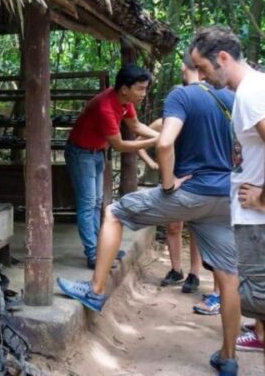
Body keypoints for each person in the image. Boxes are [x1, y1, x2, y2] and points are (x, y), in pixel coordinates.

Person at [57, 32, 240, 375]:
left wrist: (167, 182)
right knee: (229, 278)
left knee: (112, 211)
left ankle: (96, 290)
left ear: (190, 67)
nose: (144, 93)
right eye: (141, 88)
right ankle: (229, 357)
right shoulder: (228, 99)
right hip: (223, 196)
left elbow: (165, 142)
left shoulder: (182, 97)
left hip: (190, 192)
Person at [189, 26, 265, 364]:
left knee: (254, 295)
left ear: (222, 58)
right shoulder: (252, 90)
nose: (202, 77)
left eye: (203, 69)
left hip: (256, 217)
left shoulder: (250, 95)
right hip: (249, 214)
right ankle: (230, 351)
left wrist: (263, 199)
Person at [66, 64, 160, 268]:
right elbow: (120, 145)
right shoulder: (105, 106)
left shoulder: (125, 100)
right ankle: (93, 254)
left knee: (97, 202)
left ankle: (101, 249)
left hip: (97, 152)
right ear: (125, 88)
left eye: (145, 88)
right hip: (81, 154)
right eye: (140, 88)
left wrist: (163, 136)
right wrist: (154, 142)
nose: (144, 93)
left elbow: (135, 126)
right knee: (88, 203)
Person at [137, 116, 204, 293]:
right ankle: (176, 270)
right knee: (173, 226)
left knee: (195, 226)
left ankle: (195, 273)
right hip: (171, 177)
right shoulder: (162, 123)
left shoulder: (197, 120)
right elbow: (139, 143)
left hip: (194, 177)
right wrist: (152, 162)